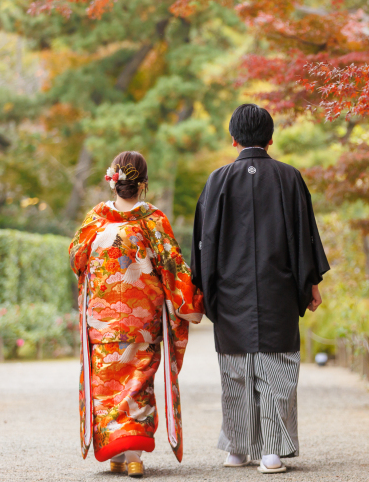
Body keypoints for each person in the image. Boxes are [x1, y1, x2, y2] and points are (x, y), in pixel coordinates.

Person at [191, 104, 330, 474]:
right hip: (278, 289)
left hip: (230, 290)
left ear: (233, 139)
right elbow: (304, 238)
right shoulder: (289, 177)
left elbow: (204, 242)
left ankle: (237, 449)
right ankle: (271, 451)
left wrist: (203, 287)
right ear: (270, 138)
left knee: (236, 369)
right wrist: (311, 282)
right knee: (277, 367)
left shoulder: (217, 180)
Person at [69, 151, 204, 479]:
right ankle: (131, 457)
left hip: (102, 322)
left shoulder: (95, 221)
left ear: (112, 181)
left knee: (106, 383)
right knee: (137, 382)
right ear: (142, 184)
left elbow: (76, 258)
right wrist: (192, 303)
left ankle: (116, 455)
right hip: (142, 320)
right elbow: (172, 265)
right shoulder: (152, 220)